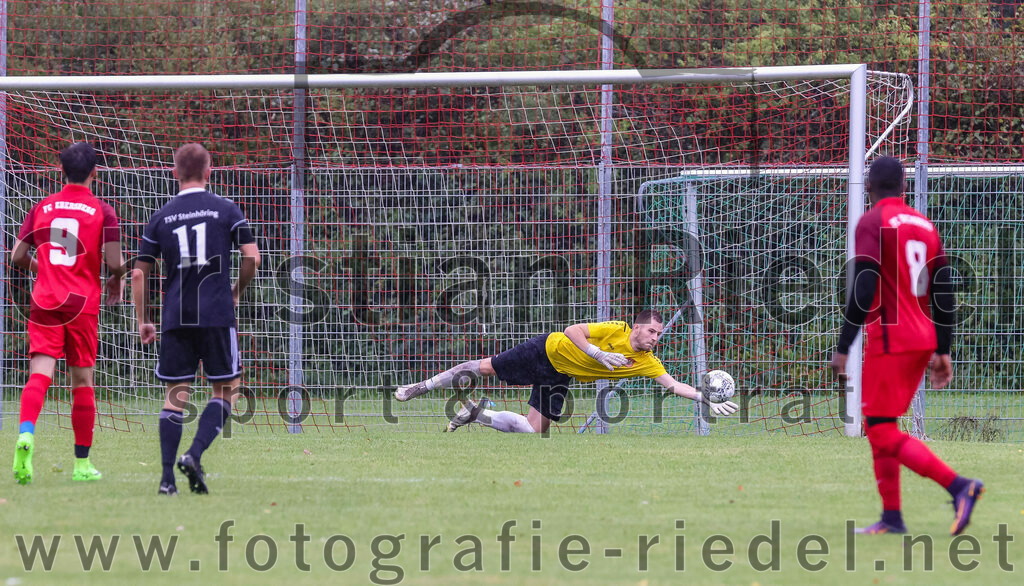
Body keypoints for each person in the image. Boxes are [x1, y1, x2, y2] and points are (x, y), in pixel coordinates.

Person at [831, 155, 982, 536]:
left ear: (868, 186)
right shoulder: (925, 226)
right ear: (902, 186)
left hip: (890, 338)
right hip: (921, 338)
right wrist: (943, 349)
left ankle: (959, 486)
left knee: (880, 430)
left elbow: (864, 285)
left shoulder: (872, 221)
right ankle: (892, 518)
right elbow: (944, 291)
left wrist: (844, 344)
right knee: (882, 422)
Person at [132, 143, 260, 496]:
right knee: (227, 389)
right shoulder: (226, 209)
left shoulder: (161, 216)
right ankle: (194, 454)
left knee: (175, 395)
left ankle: (166, 480)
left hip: (175, 315)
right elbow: (252, 257)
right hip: (217, 312)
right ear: (209, 171)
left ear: (174, 173)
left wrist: (144, 319)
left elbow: (139, 275)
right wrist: (236, 290)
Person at [396, 309, 738, 433]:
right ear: (636, 328)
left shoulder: (648, 361)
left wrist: (703, 398)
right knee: (482, 367)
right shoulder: (616, 329)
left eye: (659, 335)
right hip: (547, 349)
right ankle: (420, 386)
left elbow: (672, 384)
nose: (655, 338)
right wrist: (598, 354)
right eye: (652, 331)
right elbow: (573, 329)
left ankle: (478, 414)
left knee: (533, 431)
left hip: (559, 376)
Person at [11, 141, 126, 485]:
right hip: (81, 304)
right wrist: (117, 280)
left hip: (45, 300)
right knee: (82, 381)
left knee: (40, 373)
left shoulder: (42, 207)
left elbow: (17, 257)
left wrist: (41, 268)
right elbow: (115, 262)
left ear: (61, 171)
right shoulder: (101, 210)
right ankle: (81, 465)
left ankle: (27, 434)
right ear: (95, 173)